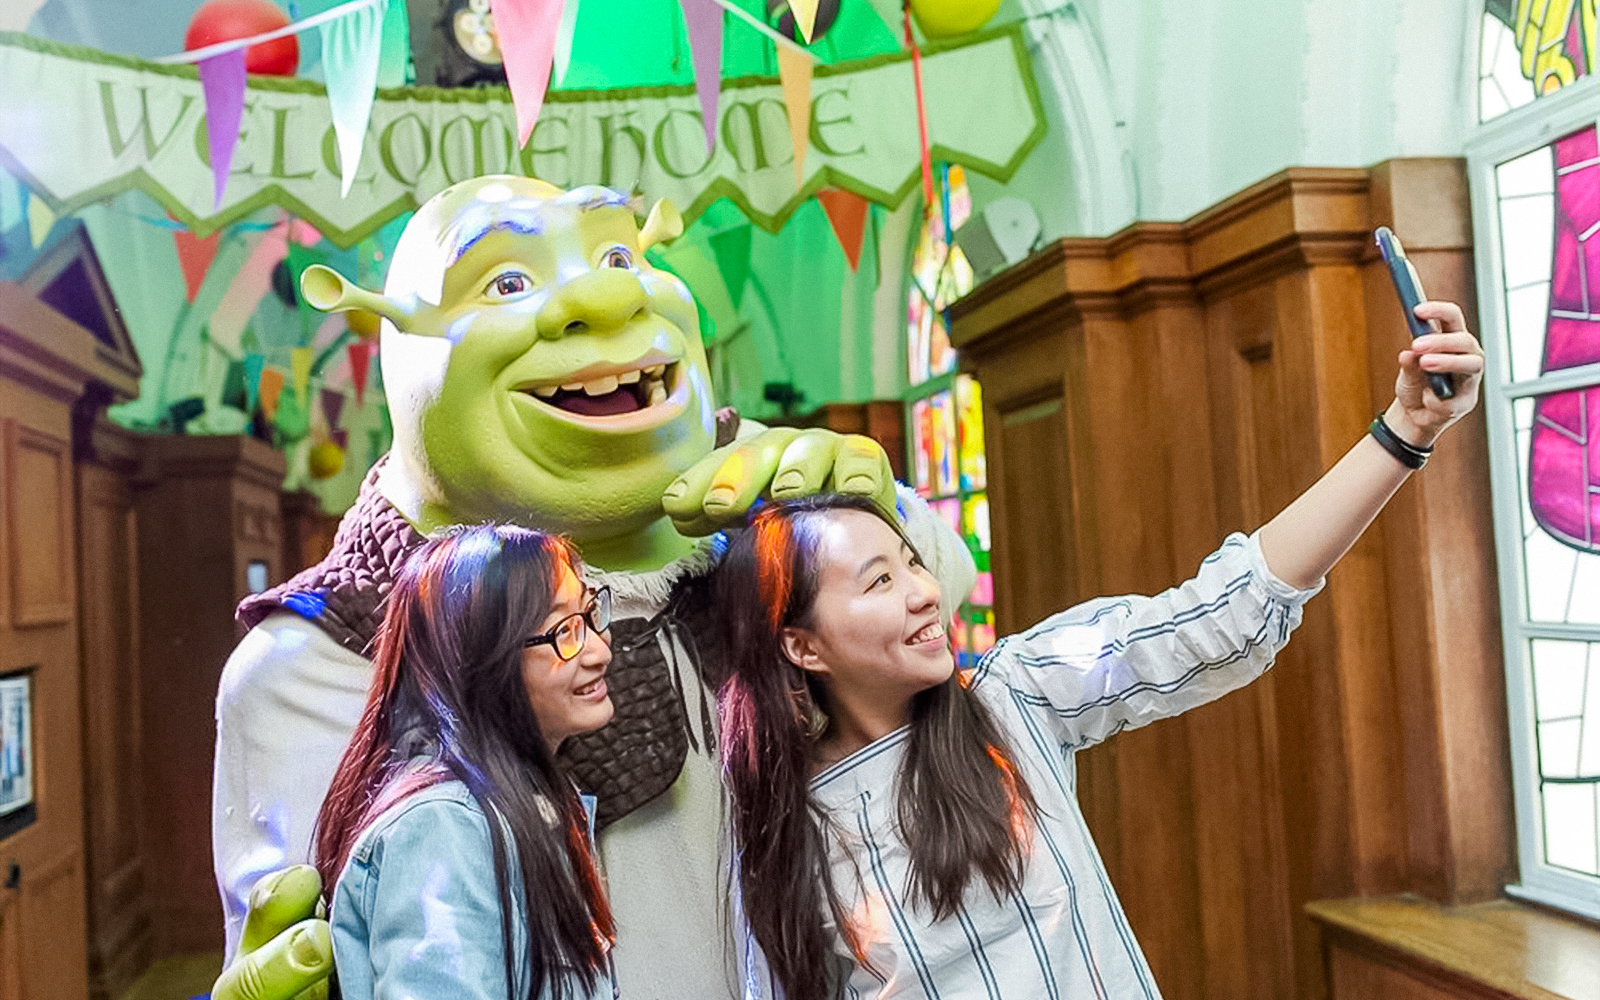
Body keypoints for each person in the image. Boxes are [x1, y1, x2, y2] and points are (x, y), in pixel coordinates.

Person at [713, 304, 1484, 999]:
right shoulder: (786, 835)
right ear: (801, 644)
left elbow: (1220, 615)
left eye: (913, 563)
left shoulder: (1016, 697)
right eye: (879, 580)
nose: (923, 592)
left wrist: (1404, 431)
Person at [312, 523, 619, 1000]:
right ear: (482, 660)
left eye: (590, 614)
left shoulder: (520, 804)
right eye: (564, 631)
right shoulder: (444, 828)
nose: (601, 650)